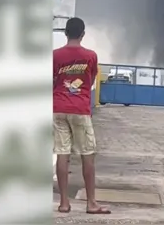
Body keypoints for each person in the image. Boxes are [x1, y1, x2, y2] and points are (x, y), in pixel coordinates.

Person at [53, 17, 111, 215]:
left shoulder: (55, 55)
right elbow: (91, 79)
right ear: (83, 34)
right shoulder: (91, 56)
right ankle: (91, 203)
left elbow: (52, 79)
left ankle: (63, 203)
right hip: (79, 109)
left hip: (58, 108)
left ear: (65, 33)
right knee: (87, 155)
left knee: (63, 153)